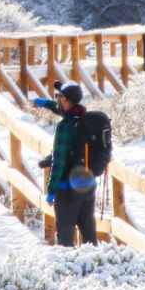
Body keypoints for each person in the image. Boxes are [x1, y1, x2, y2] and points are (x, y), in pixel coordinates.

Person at [33, 80, 98, 247]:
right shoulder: (85, 119)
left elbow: (59, 162)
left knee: (65, 240)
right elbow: (63, 110)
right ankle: (97, 267)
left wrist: (51, 190)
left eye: (59, 97)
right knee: (89, 236)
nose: (57, 100)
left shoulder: (65, 127)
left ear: (66, 100)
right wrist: (45, 103)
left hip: (67, 189)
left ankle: (69, 271)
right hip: (87, 186)